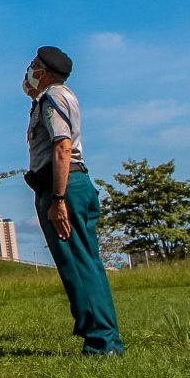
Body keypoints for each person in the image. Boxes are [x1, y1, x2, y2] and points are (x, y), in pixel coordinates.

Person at [22, 46, 124, 357]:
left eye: (33, 65)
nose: (29, 70)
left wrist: (59, 199)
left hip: (64, 186)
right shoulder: (54, 97)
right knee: (84, 263)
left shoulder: (53, 96)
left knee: (79, 265)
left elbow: (62, 147)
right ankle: (101, 337)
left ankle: (101, 343)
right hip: (65, 185)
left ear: (46, 72)